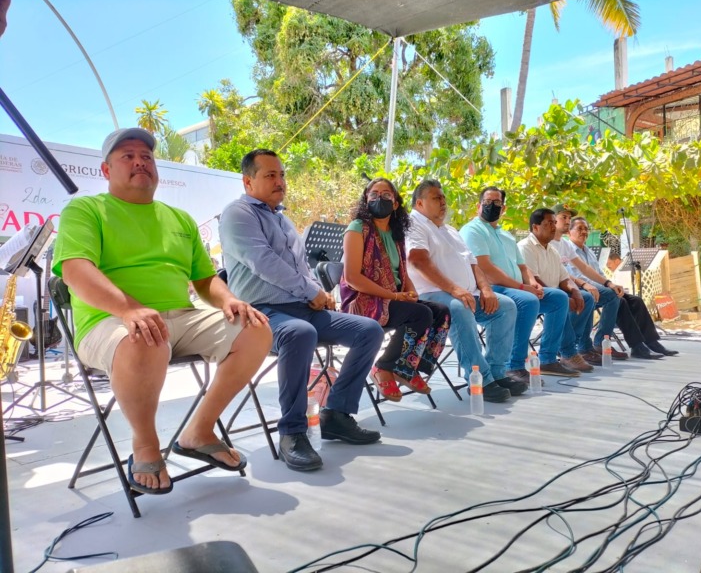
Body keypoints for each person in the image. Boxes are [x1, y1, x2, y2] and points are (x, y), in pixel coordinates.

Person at [53, 128, 273, 495]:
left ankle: (200, 431)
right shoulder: (86, 209)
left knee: (257, 328)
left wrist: (229, 299)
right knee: (146, 337)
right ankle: (145, 446)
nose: (140, 161)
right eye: (127, 156)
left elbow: (205, 280)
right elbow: (75, 270)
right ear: (106, 171)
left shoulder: (179, 218)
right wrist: (130, 309)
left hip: (180, 317)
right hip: (109, 323)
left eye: (147, 156)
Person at [219, 148, 384, 473]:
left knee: (369, 330)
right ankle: (293, 432)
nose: (280, 181)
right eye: (270, 175)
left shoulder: (283, 219)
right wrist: (313, 292)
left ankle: (336, 414)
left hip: (301, 307)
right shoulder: (237, 214)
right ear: (248, 181)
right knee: (300, 333)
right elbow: (265, 264)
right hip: (260, 313)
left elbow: (301, 268)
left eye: (281, 175)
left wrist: (318, 293)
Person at [406, 179, 524, 402]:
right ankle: (479, 379)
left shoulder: (450, 230)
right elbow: (418, 261)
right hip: (431, 296)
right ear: (419, 203)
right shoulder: (414, 225)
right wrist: (455, 289)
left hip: (466, 293)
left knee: (506, 306)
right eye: (436, 198)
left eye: (443, 198)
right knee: (459, 309)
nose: (443, 202)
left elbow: (473, 264)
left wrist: (486, 289)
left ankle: (497, 373)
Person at [340, 178, 450, 402]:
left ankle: (410, 367)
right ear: (366, 200)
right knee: (420, 314)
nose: (379, 198)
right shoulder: (358, 228)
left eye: (386, 194)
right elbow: (351, 278)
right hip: (363, 300)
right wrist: (394, 295)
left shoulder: (396, 232)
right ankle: (383, 367)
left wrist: (410, 290)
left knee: (441, 311)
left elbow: (402, 271)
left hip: (392, 299)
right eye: (374, 194)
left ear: (396, 203)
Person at [459, 187, 577, 379]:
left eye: (497, 203)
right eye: (488, 202)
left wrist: (533, 283)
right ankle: (514, 365)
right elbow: (485, 268)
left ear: (503, 208)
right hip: (491, 289)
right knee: (527, 300)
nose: (492, 206)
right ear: (478, 205)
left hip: (515, 288)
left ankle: (547, 358)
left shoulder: (506, 235)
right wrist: (523, 287)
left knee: (558, 298)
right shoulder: (472, 230)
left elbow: (522, 267)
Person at [567, 217, 678, 358]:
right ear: (569, 233)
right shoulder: (569, 250)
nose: (583, 232)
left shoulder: (588, 251)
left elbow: (599, 274)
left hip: (600, 289)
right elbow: (578, 277)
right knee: (616, 298)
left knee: (635, 300)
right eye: (579, 229)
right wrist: (608, 288)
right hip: (583, 290)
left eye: (586, 229)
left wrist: (611, 284)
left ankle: (650, 342)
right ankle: (605, 342)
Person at [518, 208, 595, 373]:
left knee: (586, 298)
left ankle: (571, 345)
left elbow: (564, 278)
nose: (554, 227)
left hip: (553, 293)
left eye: (554, 222)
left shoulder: (552, 249)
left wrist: (575, 292)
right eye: (548, 223)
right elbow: (532, 280)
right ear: (535, 227)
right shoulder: (526, 247)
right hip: (531, 296)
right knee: (559, 300)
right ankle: (556, 355)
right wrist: (564, 295)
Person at [551, 204, 625, 364]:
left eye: (569, 218)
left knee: (612, 294)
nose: (567, 221)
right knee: (587, 296)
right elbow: (559, 272)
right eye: (563, 217)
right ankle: (571, 346)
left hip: (570, 285)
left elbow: (584, 267)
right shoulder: (548, 243)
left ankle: (589, 345)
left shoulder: (563, 244)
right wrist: (584, 285)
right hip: (555, 286)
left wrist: (608, 283)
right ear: (553, 219)